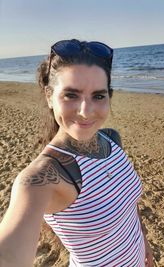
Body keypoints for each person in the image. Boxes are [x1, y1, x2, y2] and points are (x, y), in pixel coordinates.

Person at [0, 39, 153, 267]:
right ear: (48, 96)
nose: (85, 111)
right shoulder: (44, 177)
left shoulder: (111, 139)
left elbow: (128, 206)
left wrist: (144, 242)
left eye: (98, 96)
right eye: (71, 95)